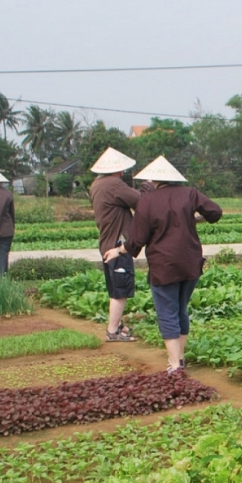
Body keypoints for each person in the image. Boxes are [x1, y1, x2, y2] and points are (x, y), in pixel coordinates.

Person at [126, 155, 222, 371]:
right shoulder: (190, 193)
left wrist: (121, 249)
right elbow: (215, 211)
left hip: (164, 265)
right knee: (180, 309)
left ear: (153, 180)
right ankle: (179, 358)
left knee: (167, 312)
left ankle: (174, 363)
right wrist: (196, 218)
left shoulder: (147, 201)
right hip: (190, 261)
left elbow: (137, 239)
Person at [89, 147, 142, 342]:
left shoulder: (97, 184)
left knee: (114, 287)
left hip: (106, 242)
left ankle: (117, 325)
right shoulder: (114, 184)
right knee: (120, 290)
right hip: (117, 245)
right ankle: (113, 331)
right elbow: (139, 200)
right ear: (118, 170)